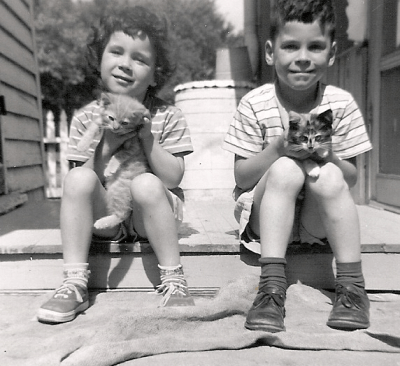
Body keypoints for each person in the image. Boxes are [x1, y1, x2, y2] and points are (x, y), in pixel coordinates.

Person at [37, 6, 195, 324]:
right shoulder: (86, 116)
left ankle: (174, 280)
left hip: (149, 217)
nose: (125, 64)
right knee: (78, 178)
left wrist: (147, 137)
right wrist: (108, 143)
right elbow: (82, 178)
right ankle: (74, 282)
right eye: (117, 52)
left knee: (146, 183)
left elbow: (173, 176)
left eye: (140, 58)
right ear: (99, 59)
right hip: (104, 215)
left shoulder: (167, 115)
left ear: (155, 73)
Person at [223, 0, 372, 333]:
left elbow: (351, 178)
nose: (303, 57)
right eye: (290, 46)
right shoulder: (255, 103)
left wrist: (328, 155)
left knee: (331, 173)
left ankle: (351, 289)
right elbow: (242, 176)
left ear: (331, 53)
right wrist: (277, 148)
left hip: (315, 222)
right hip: (267, 218)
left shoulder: (341, 103)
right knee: (286, 169)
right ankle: (272, 290)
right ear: (270, 52)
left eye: (315, 46)